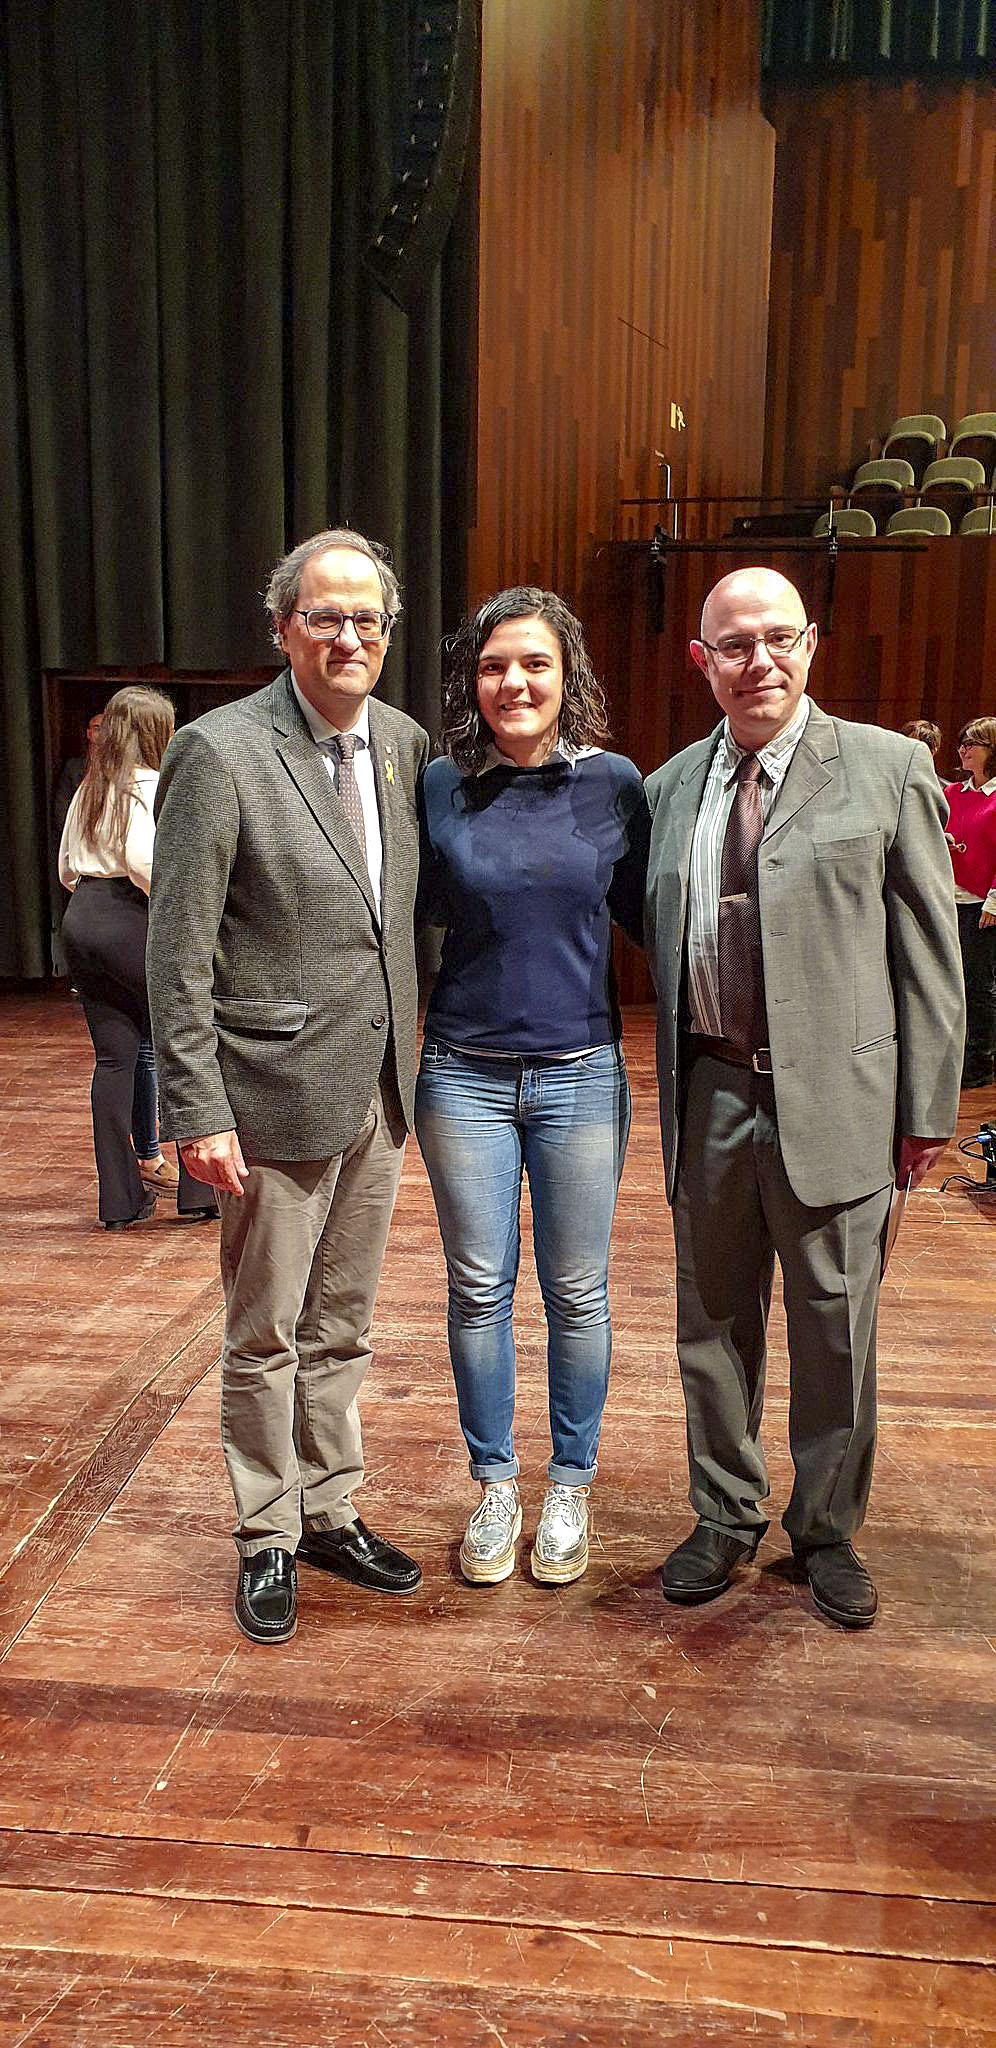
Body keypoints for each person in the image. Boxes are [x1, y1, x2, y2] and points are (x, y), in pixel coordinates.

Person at [644, 567, 963, 1629]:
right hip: (713, 1090)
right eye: (734, 645)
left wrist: (926, 1107)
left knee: (837, 1332)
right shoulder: (670, 784)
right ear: (704, 661)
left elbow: (929, 951)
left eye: (778, 638)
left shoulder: (887, 767)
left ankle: (824, 1528)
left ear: (812, 643)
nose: (758, 661)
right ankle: (724, 1515)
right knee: (713, 1327)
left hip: (841, 1103)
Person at [147, 527, 430, 1645]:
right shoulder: (219, 753)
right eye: (326, 615)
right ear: (284, 629)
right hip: (265, 1092)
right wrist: (195, 1105)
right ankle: (264, 1530)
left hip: (378, 1089)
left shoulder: (404, 744)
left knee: (344, 1324)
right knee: (265, 1327)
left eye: (367, 618)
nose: (349, 635)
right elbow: (178, 948)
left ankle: (329, 1507)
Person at [416, 588, 646, 1587]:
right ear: (475, 678)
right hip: (461, 1073)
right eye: (497, 665)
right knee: (477, 1291)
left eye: (536, 664)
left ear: (568, 677)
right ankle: (496, 1482)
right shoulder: (438, 784)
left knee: (577, 1290)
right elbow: (409, 917)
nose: (515, 682)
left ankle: (571, 1484)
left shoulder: (615, 785)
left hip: (581, 1074)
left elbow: (652, 918)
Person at [58, 688, 212, 1229]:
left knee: (115, 1060)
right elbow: (146, 864)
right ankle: (199, 1193)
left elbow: (65, 870)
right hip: (131, 916)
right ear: (157, 732)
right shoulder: (149, 788)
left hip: (82, 919)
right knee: (187, 1042)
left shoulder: (90, 789)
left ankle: (121, 1202)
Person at [943, 717, 996, 1088]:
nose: (963, 749)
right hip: (949, 899)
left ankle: (979, 1064)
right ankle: (955, 1057)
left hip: (983, 906)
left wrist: (993, 903)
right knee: (952, 986)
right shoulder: (952, 794)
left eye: (973, 743)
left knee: (979, 987)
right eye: (963, 742)